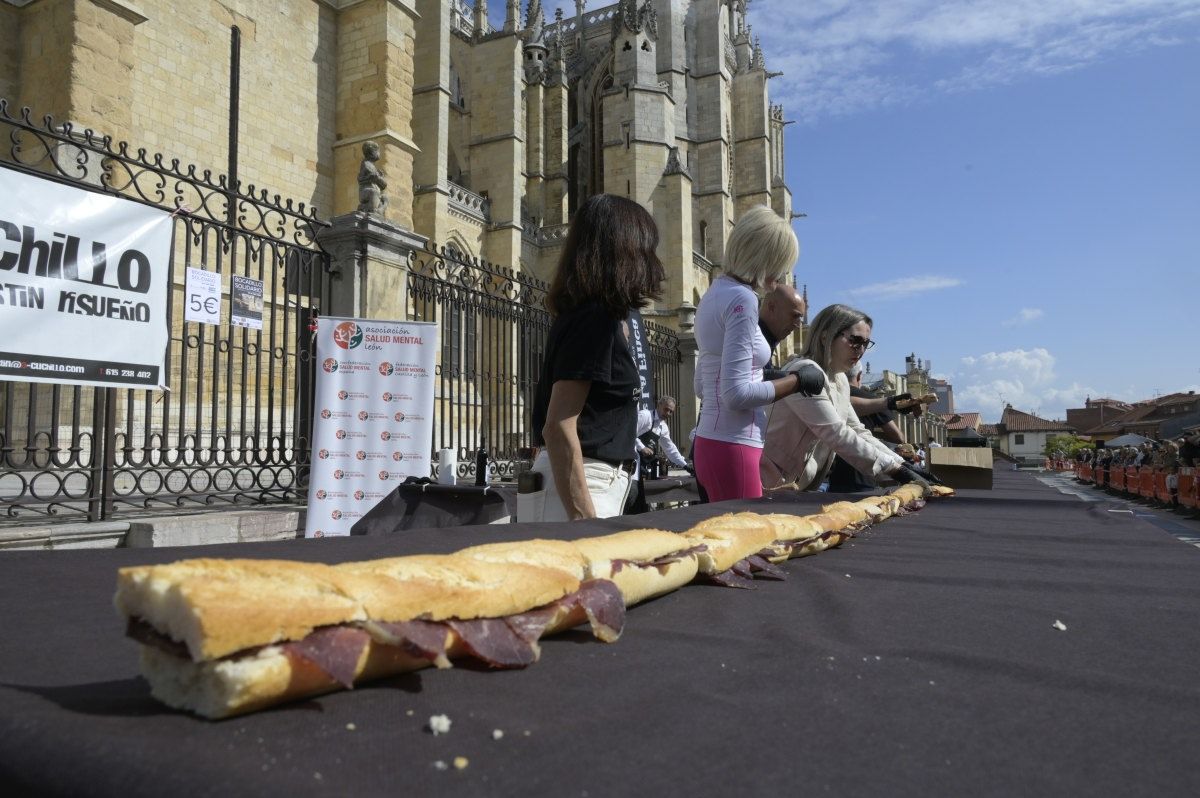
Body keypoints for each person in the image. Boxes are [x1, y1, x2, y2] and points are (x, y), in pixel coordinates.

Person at [527, 194, 665, 521]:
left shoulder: (592, 316)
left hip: (593, 482)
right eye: (646, 248)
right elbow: (559, 426)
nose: (652, 260)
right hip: (585, 485)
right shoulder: (594, 319)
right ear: (626, 251)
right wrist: (585, 520)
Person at [692, 207, 824, 502]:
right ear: (764, 258)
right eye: (780, 264)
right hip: (734, 444)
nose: (778, 277)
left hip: (710, 442)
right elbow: (736, 395)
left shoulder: (714, 292)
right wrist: (797, 381)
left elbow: (702, 385)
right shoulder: (743, 299)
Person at [760, 303, 936, 495]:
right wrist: (896, 471)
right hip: (768, 482)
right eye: (855, 340)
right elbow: (836, 432)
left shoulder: (840, 380)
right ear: (826, 335)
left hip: (795, 487)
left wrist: (902, 464)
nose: (860, 350)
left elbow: (857, 430)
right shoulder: (804, 371)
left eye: (865, 344)